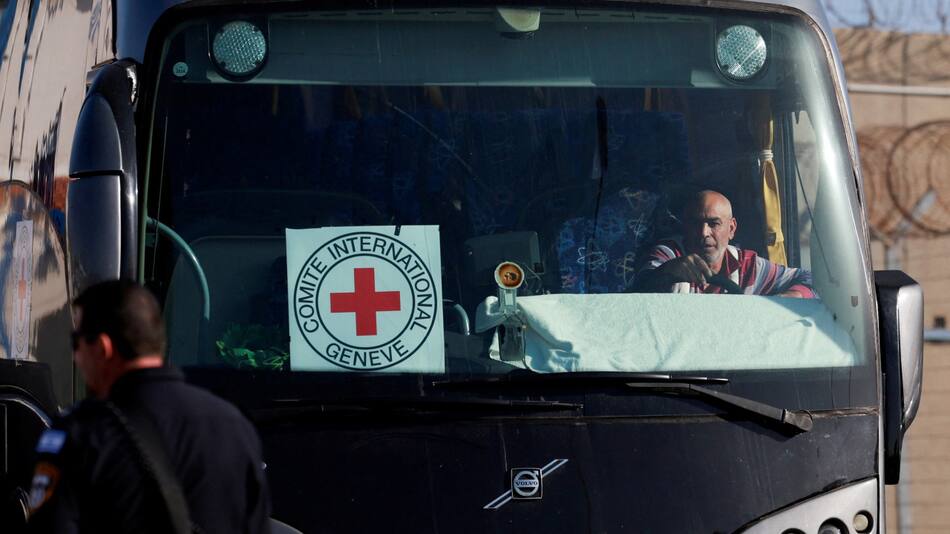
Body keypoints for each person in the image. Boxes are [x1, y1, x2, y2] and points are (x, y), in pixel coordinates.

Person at [26, 280, 271, 533]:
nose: (75, 356)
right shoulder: (235, 427)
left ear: (102, 348)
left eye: (76, 342)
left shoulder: (81, 434)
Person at [635, 190, 815, 297]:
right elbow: (637, 292)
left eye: (713, 224)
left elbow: (812, 280)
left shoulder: (749, 266)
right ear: (685, 227)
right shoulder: (668, 255)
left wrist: (786, 298)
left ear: (731, 229)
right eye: (695, 223)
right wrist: (667, 273)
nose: (704, 233)